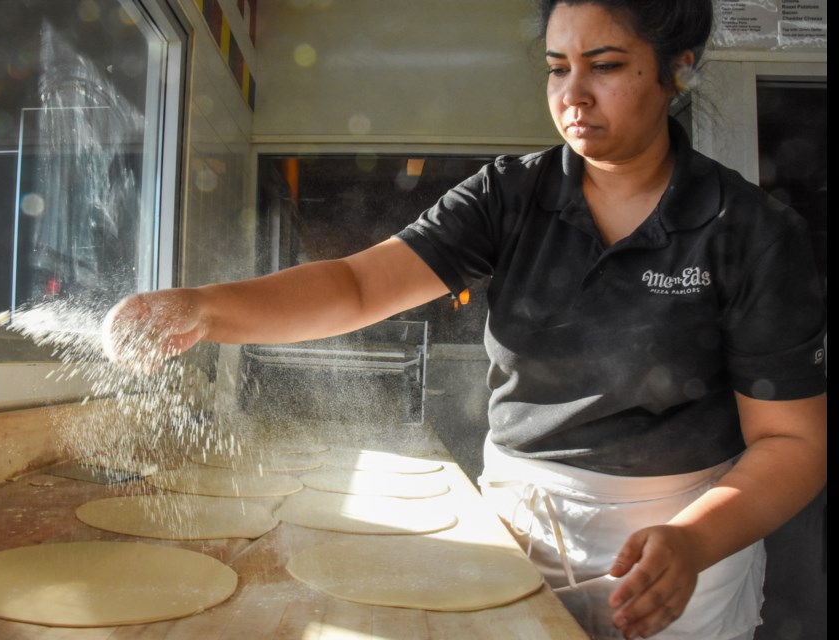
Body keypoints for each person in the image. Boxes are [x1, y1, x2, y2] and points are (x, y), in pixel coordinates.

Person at [101, 1, 827, 638]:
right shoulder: (510, 197)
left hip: (689, 532)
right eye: (555, 68)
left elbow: (793, 440)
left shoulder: (751, 232)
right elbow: (356, 285)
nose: (573, 94)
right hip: (522, 523)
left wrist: (694, 542)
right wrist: (202, 308)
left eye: (604, 65)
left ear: (679, 68)